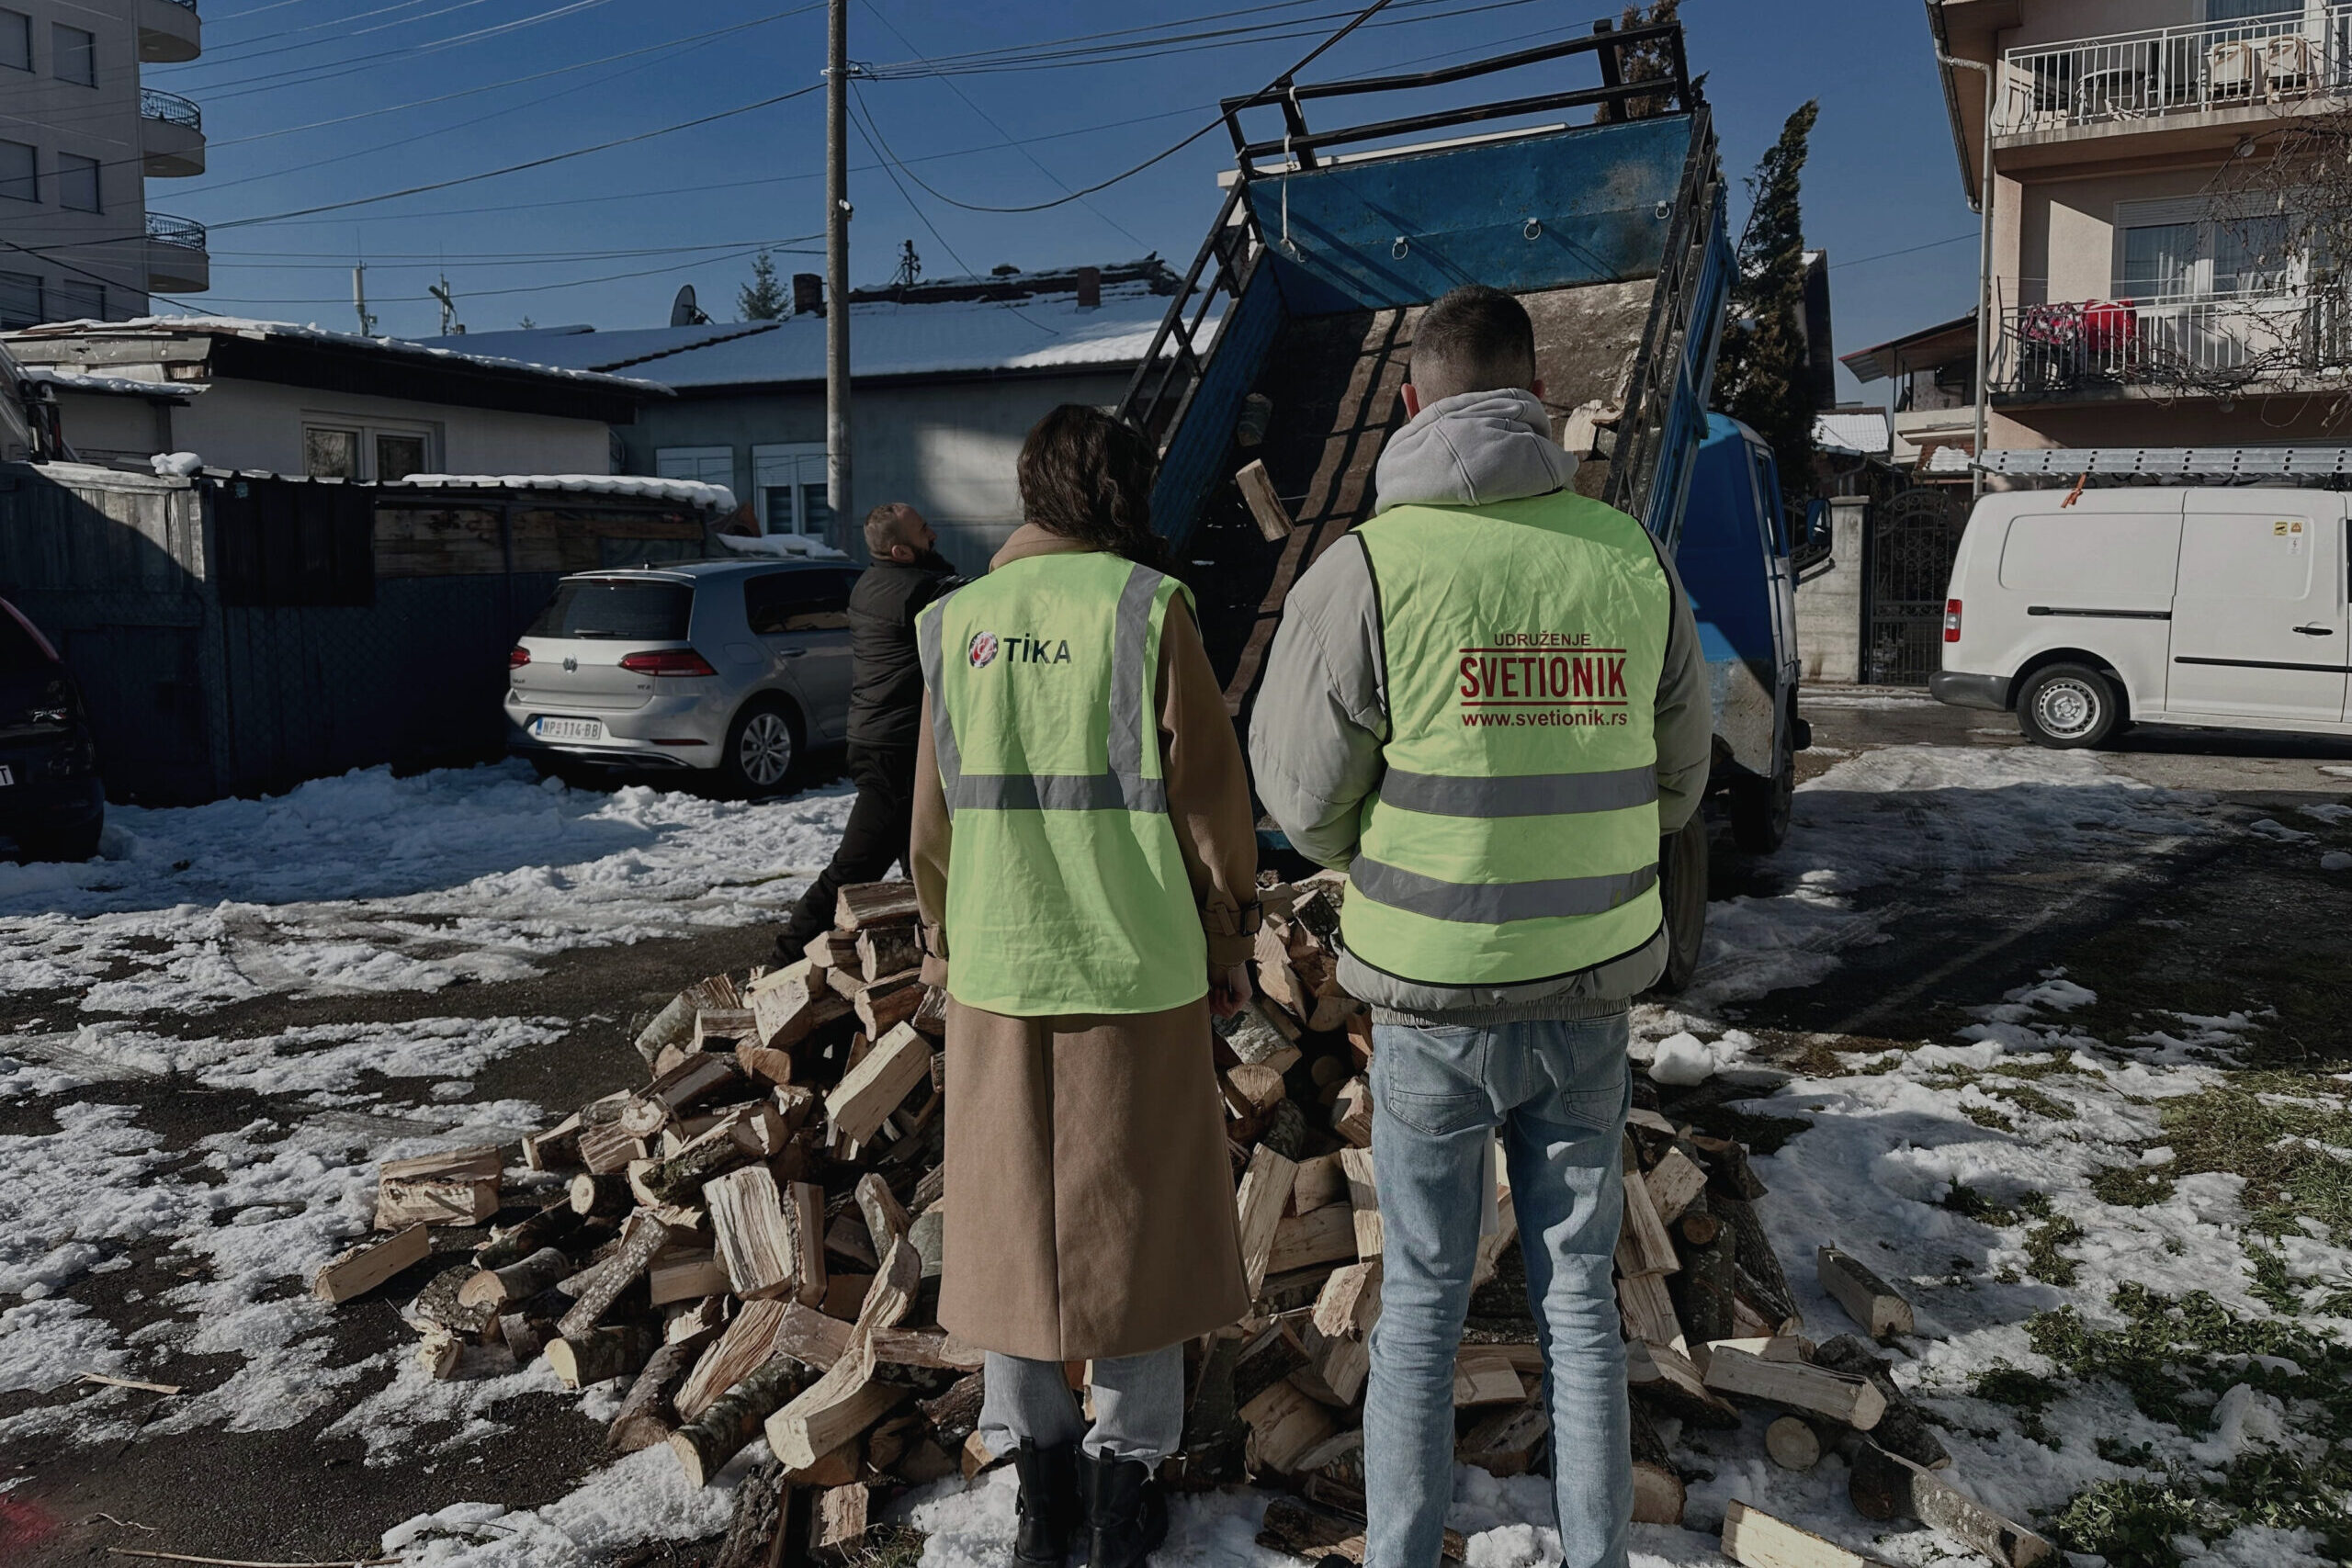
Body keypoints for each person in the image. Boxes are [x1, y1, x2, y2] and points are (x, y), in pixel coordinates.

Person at [1250, 285, 1710, 1568]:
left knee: (1419, 1312)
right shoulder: (1627, 557)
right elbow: (1681, 784)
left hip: (1430, 996)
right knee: (1581, 1305)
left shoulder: (1367, 570)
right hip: (1589, 988)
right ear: (1538, 392)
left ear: (1410, 401)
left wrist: (1386, 851)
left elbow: (1298, 801)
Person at [910, 404, 1260, 1568]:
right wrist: (1226, 943)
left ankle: (1041, 1493)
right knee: (1134, 1227)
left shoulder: (954, 622)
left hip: (1000, 964)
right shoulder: (1147, 609)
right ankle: (1122, 1487)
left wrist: (945, 944)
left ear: (1028, 491)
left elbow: (932, 821)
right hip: (1133, 962)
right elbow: (1209, 805)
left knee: (1013, 1229)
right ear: (1126, 492)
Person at [775, 502, 959, 960]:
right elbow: (973, 593)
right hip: (895, 750)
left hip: (877, 740)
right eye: (924, 530)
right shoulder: (918, 592)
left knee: (923, 863)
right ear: (901, 552)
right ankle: (784, 958)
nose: (933, 534)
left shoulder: (872, 583)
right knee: (854, 869)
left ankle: (931, 959)